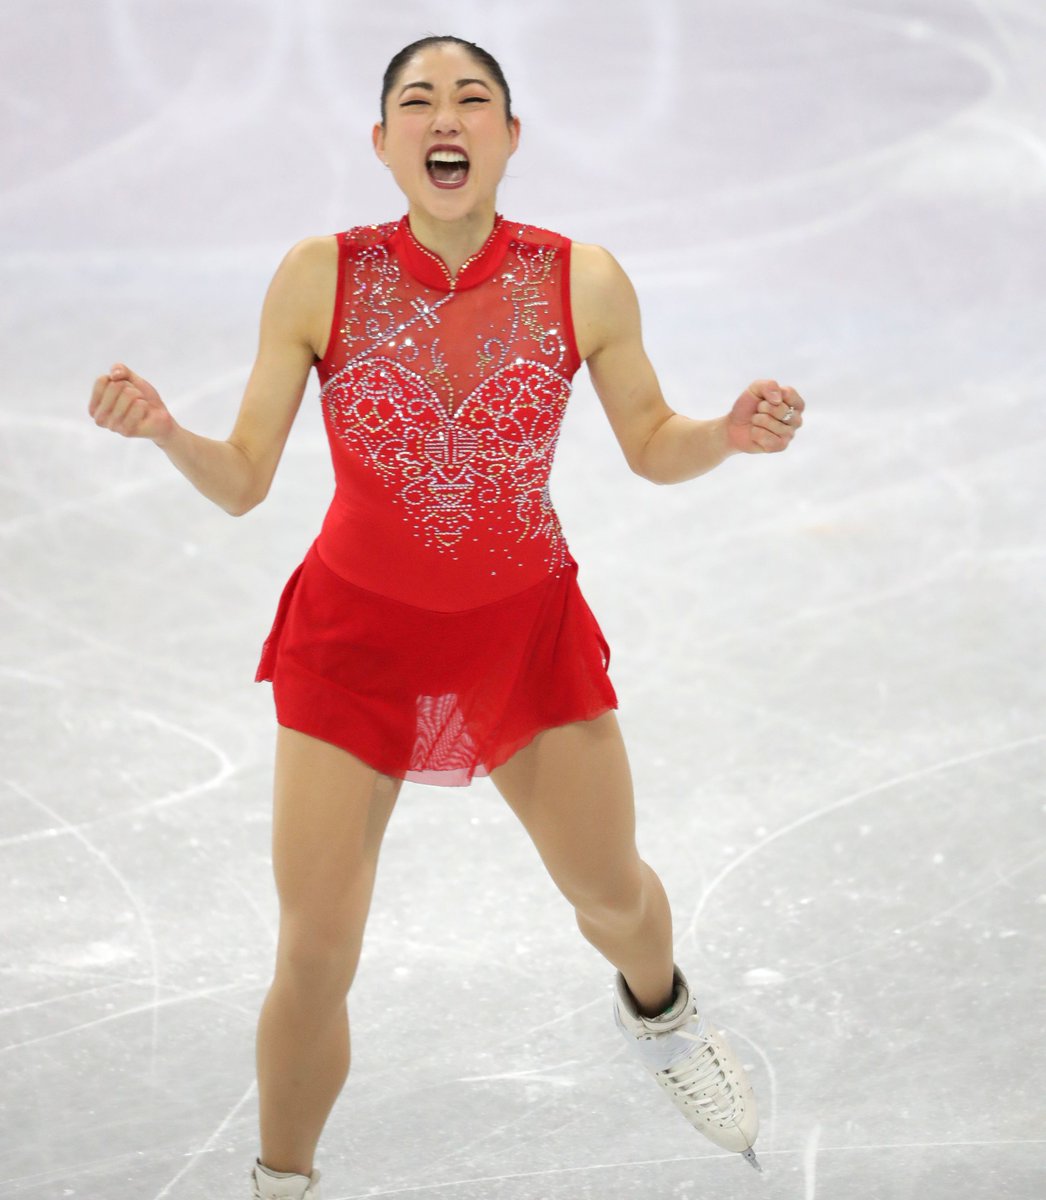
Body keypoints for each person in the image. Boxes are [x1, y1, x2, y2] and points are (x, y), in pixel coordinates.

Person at [89, 34, 804, 1200]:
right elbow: (243, 480)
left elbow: (649, 444)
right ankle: (282, 1182)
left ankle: (663, 1018)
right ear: (382, 146)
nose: (446, 118)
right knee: (313, 954)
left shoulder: (584, 279)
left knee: (611, 895)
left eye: (473, 100)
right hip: (350, 644)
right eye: (416, 102)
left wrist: (721, 435)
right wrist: (168, 431)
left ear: (510, 138)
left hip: (518, 634)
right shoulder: (320, 273)